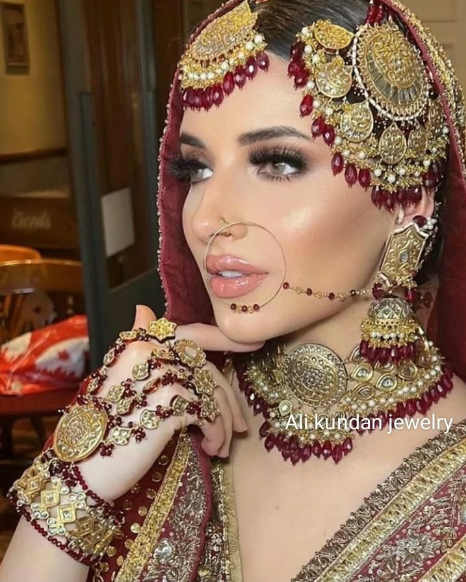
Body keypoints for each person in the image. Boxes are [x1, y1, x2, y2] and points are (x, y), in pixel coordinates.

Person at [2, 0, 466, 580]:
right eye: (194, 169)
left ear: (405, 201)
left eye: (278, 163)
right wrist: (82, 475)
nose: (204, 220)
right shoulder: (156, 413)